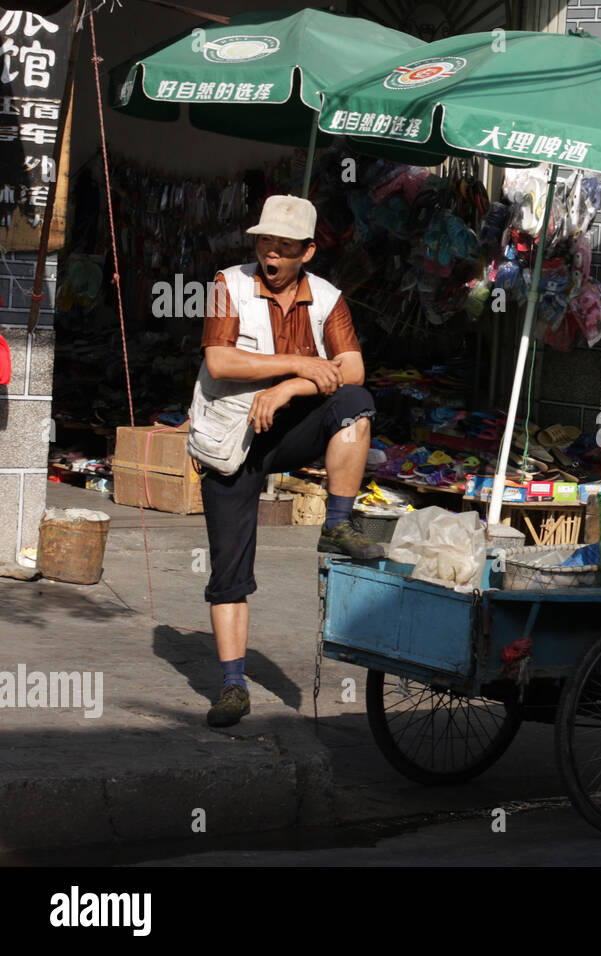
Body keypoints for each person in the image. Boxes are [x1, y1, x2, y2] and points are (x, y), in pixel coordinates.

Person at [196, 195, 384, 728]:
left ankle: (338, 524)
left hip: (289, 428)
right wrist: (300, 363)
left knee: (354, 406)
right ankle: (232, 684)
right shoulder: (226, 285)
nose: (270, 256)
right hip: (231, 436)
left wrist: (291, 387)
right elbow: (220, 358)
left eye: (282, 247)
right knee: (229, 570)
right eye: (263, 244)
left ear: (308, 250)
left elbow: (352, 368)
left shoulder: (327, 297)